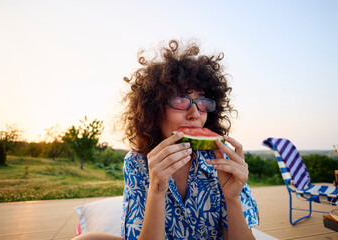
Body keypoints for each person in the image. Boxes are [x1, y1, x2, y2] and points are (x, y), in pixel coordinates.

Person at [74, 39, 259, 240]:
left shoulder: (221, 161)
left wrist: (232, 197)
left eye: (203, 101)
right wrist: (157, 189)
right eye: (180, 99)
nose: (195, 113)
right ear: (154, 109)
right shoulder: (137, 162)